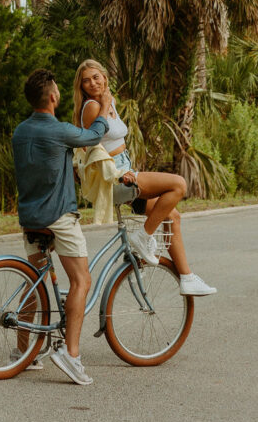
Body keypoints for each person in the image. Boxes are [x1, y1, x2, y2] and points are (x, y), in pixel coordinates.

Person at [73, 58, 217, 297]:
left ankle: (187, 277)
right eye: (86, 81)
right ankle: (144, 236)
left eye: (96, 77)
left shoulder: (108, 102)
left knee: (172, 216)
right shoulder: (91, 107)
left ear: (105, 77)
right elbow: (92, 148)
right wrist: (119, 174)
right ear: (82, 86)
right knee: (178, 185)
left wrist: (108, 101)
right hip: (117, 177)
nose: (92, 83)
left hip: (123, 173)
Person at [12, 67, 112, 386]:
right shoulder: (58, 130)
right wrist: (104, 106)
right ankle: (71, 355)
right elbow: (94, 136)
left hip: (30, 217)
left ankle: (22, 354)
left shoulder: (20, 132)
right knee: (82, 280)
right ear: (54, 97)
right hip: (58, 217)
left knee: (35, 284)